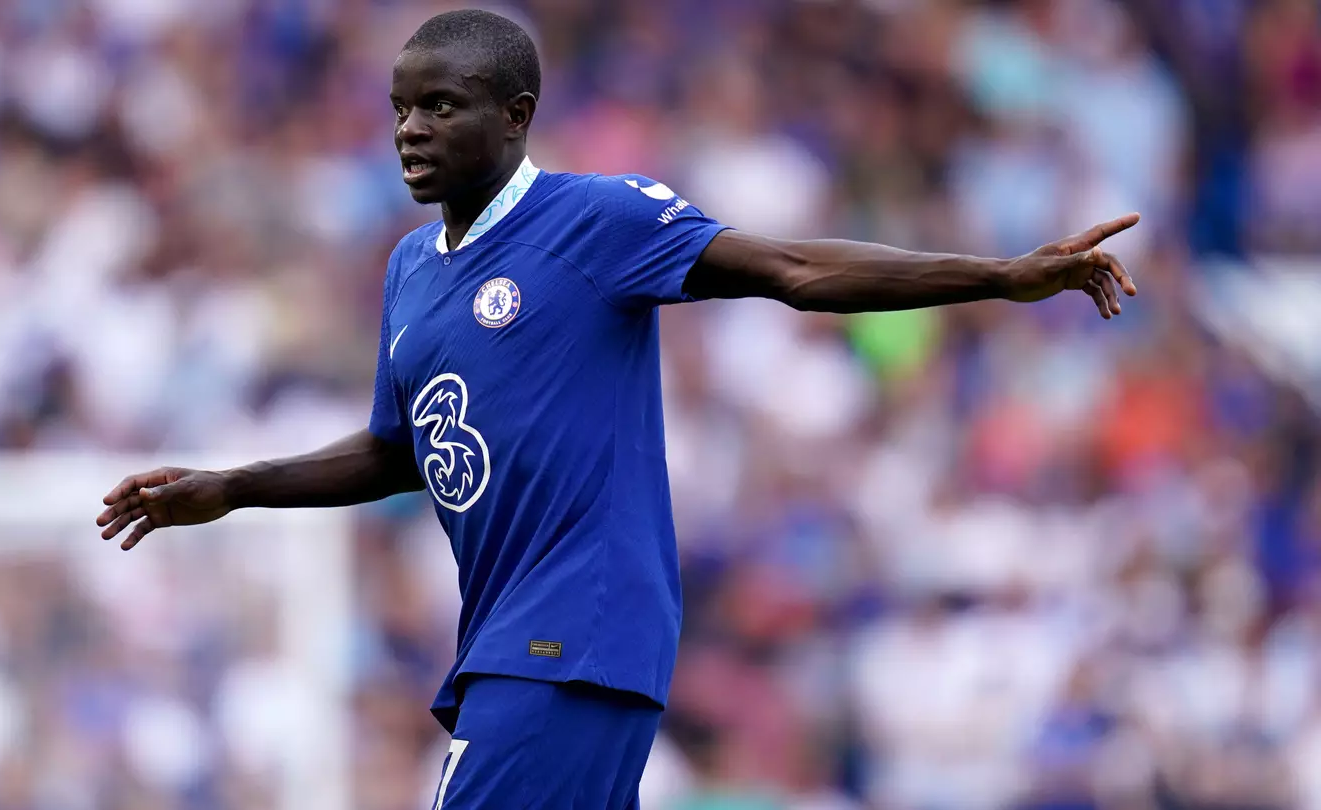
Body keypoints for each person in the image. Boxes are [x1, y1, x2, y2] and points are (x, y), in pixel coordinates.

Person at [95, 8, 1139, 808]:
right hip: (518, 640)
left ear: (516, 117)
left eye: (443, 106)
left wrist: (1001, 276)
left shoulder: (592, 220)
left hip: (570, 636)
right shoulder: (413, 269)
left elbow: (792, 269)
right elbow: (396, 453)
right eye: (402, 108)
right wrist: (231, 488)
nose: (412, 129)